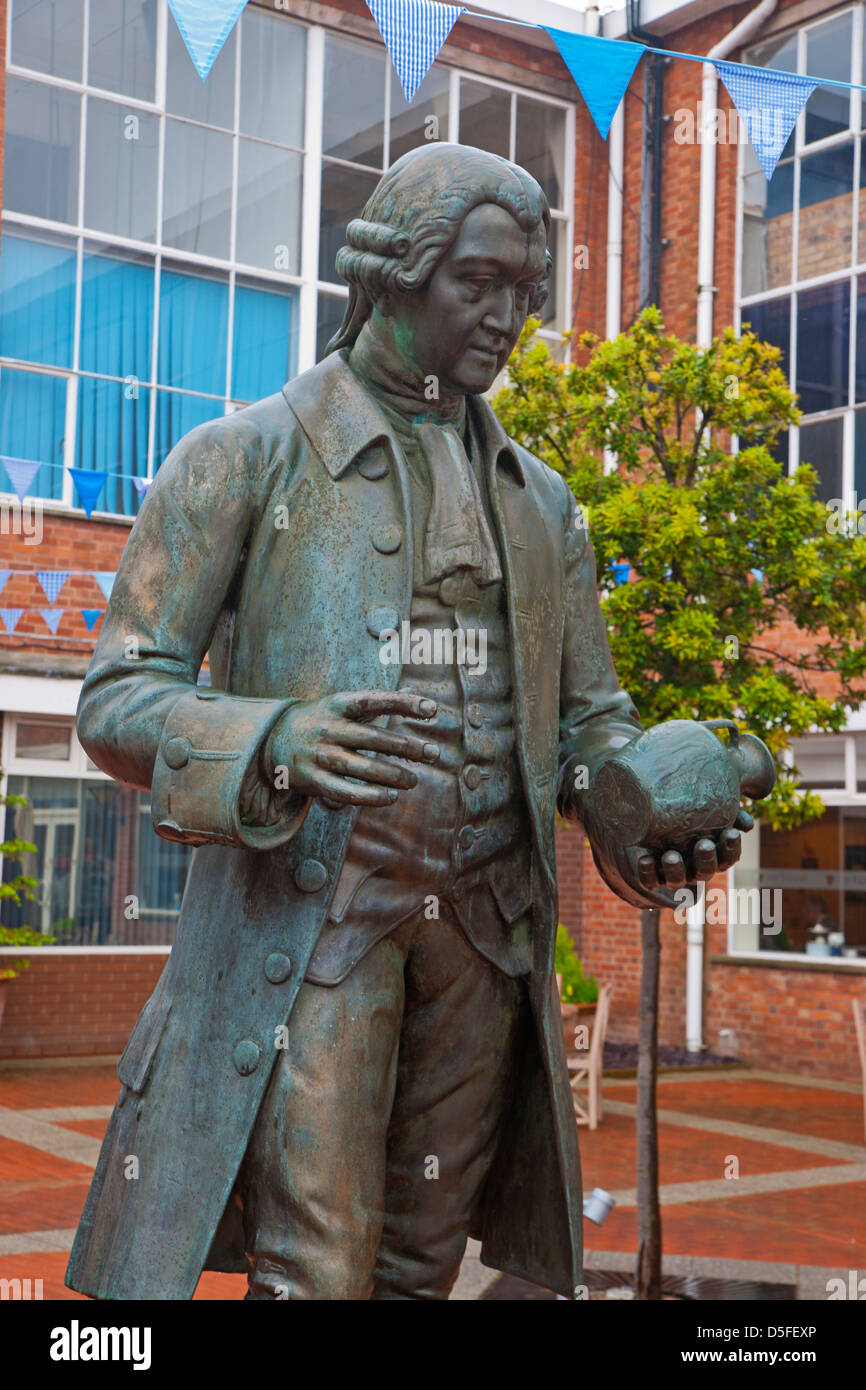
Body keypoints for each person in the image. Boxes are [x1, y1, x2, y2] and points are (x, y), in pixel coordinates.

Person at [66, 143, 744, 1301]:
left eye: (525, 292)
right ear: (391, 270)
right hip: (320, 927)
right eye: (477, 281)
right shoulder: (242, 458)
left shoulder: (543, 504)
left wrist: (634, 806)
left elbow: (590, 723)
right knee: (315, 1266)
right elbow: (116, 699)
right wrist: (272, 739)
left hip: (486, 933)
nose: (506, 318)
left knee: (419, 1266)